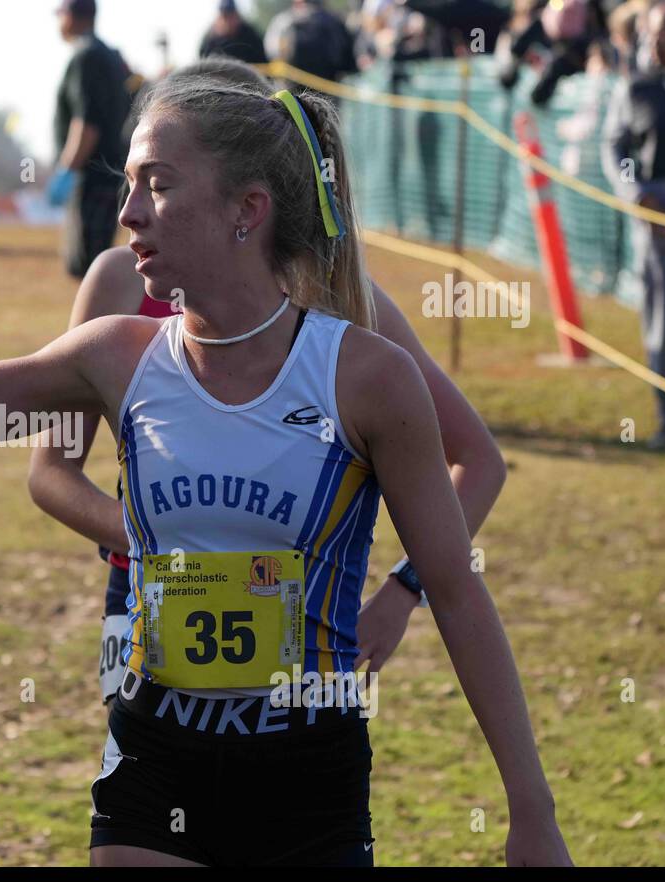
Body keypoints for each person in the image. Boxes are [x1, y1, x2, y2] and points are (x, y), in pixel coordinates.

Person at [0, 75, 571, 866]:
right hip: (155, 756)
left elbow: (461, 592)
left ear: (246, 210)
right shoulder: (113, 355)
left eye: (156, 186)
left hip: (309, 770)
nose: (127, 213)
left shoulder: (366, 373)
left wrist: (531, 810)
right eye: (127, 186)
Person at [28, 57, 507, 706]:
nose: (134, 207)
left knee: (286, 797)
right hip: (149, 597)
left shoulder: (343, 303)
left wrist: (399, 594)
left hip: (306, 624)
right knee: (150, 785)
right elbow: (51, 470)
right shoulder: (117, 282)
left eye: (163, 180)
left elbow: (477, 459)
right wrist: (153, 539)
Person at [602, 1, 665, 451]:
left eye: (664, 34)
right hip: (660, 220)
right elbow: (616, 150)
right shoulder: (636, 88)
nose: (653, 42)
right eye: (649, 33)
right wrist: (640, 194)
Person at [50, 0, 134, 279]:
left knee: (87, 268)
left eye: (60, 14)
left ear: (73, 16)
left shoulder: (85, 56)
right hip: (113, 172)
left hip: (92, 178)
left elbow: (87, 124)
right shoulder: (111, 55)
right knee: (97, 263)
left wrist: (67, 169)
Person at [265, 0, 359, 90]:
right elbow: (348, 60)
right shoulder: (334, 20)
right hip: (329, 88)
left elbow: (273, 54)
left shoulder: (283, 22)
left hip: (292, 90)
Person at [199, 1, 266, 64]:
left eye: (231, 15)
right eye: (225, 16)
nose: (228, 22)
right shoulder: (209, 41)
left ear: (237, 15)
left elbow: (263, 61)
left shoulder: (251, 36)